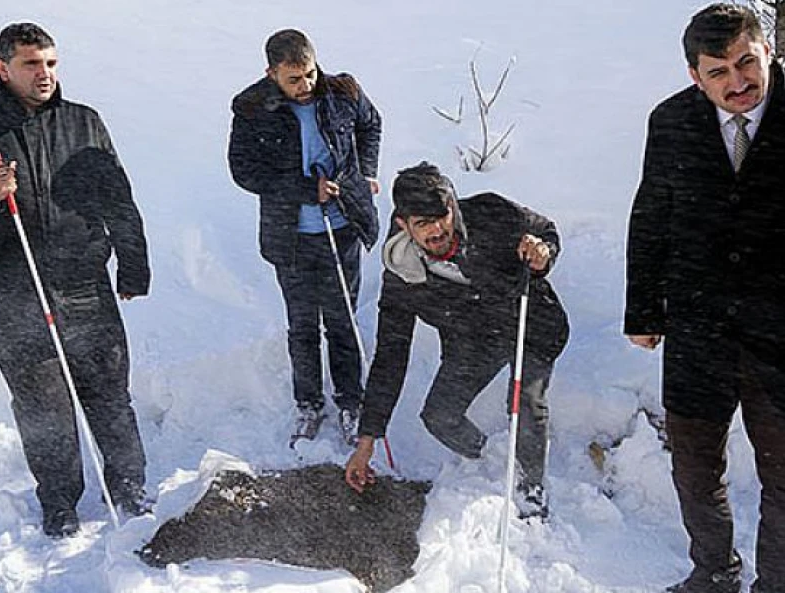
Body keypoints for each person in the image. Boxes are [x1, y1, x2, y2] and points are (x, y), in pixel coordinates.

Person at [624, 4, 785, 592]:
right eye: (719, 72)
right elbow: (651, 213)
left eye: (746, 63)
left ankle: (782, 587)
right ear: (695, 75)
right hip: (698, 329)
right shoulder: (670, 121)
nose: (737, 83)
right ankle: (713, 573)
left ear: (768, 51)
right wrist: (643, 308)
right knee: (693, 468)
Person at [0, 22, 152, 538]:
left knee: (110, 396)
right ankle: (60, 505)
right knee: (44, 409)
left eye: (51, 63)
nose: (45, 74)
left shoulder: (84, 122)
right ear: (2, 69)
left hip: (85, 284)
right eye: (31, 64)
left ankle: (131, 488)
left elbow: (118, 198)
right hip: (11, 294)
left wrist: (134, 263)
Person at [344, 162, 569, 520]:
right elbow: (390, 358)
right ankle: (491, 460)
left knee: (525, 402)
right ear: (404, 225)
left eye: (442, 217)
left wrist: (542, 253)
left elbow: (545, 230)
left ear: (453, 207)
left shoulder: (490, 212)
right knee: (439, 416)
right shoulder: (402, 276)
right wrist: (367, 440)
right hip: (474, 339)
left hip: (531, 322)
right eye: (422, 224)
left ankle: (531, 490)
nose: (437, 230)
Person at [228, 28, 381, 446]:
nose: (305, 86)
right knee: (302, 326)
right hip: (290, 236)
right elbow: (244, 171)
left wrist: (366, 172)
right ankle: (309, 404)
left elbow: (371, 125)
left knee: (342, 322)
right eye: (293, 79)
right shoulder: (252, 108)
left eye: (310, 74)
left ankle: (351, 401)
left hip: (342, 228)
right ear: (271, 72)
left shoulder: (342, 92)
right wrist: (301, 190)